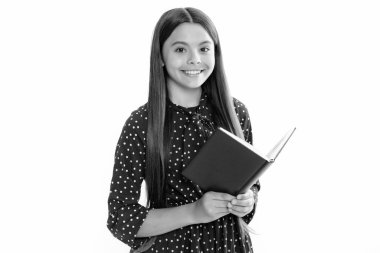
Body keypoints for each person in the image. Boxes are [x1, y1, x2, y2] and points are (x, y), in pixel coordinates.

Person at [107, 7, 260, 253]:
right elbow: (121, 217)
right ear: (160, 56)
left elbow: (251, 184)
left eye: (204, 48)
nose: (194, 59)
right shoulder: (140, 123)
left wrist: (247, 202)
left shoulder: (235, 112)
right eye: (180, 49)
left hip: (231, 246)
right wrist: (194, 212)